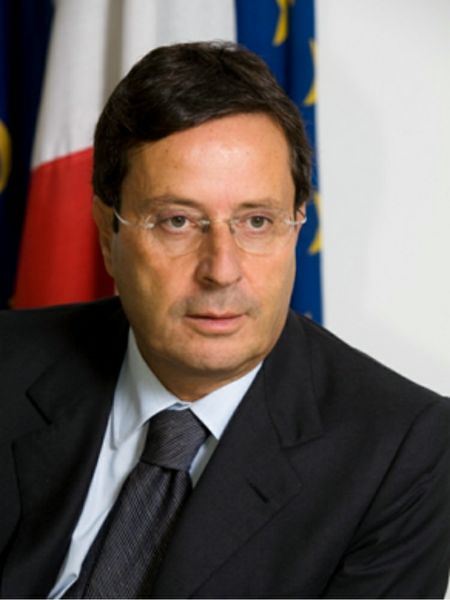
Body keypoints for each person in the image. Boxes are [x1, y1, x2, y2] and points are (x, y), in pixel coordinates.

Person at [0, 41, 449, 599]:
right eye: (178, 221)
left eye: (256, 221)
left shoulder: (398, 453)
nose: (221, 270)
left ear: (296, 228)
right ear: (107, 236)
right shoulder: (9, 364)